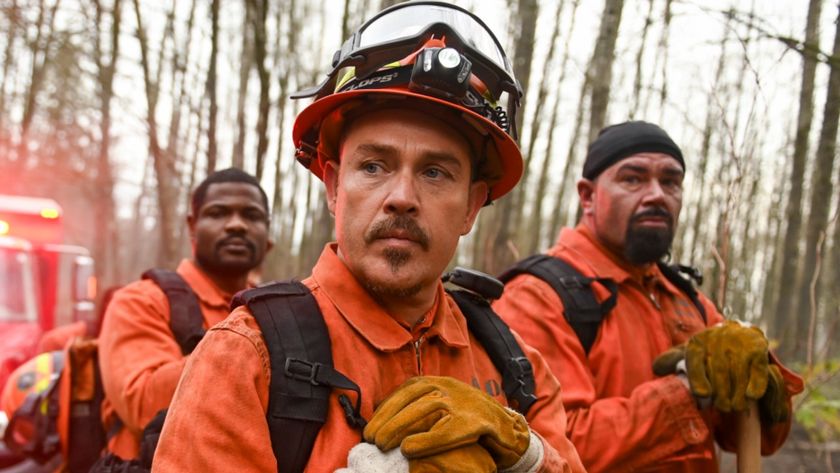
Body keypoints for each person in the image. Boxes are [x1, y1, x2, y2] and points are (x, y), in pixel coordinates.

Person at [153, 2, 585, 472]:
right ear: (334, 186)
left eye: (435, 172)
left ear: (471, 206)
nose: (402, 197)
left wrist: (528, 457)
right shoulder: (245, 358)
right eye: (374, 166)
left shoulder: (518, 366)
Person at [493, 120, 804, 472]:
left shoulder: (687, 300)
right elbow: (555, 448)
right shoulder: (537, 296)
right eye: (633, 178)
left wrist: (762, 379)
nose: (657, 194)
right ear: (587, 196)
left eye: (670, 181)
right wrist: (687, 391)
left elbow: (760, 439)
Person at [97, 167, 272, 460]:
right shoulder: (141, 301)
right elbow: (142, 406)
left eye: (252, 216)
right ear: (192, 226)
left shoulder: (270, 309)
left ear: (267, 230)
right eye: (218, 213)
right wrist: (250, 350)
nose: (236, 225)